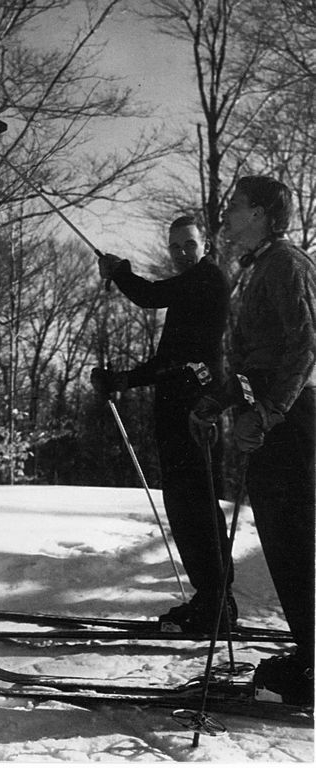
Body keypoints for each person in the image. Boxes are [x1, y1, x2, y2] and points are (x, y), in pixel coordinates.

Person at [189, 176, 316, 706]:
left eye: (236, 206)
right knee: (282, 542)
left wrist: (267, 412)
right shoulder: (258, 268)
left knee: (295, 541)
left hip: (293, 418)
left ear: (262, 214)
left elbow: (306, 344)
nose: (226, 213)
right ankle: (309, 654)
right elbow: (249, 358)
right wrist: (216, 402)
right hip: (270, 416)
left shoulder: (287, 264)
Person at [91, 215, 233, 632]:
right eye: (175, 247)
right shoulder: (190, 291)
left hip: (196, 409)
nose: (182, 254)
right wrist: (123, 380)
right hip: (174, 406)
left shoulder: (207, 279)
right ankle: (211, 599)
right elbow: (166, 362)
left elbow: (149, 296)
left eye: (189, 244)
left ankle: (218, 605)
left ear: (204, 244)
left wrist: (120, 272)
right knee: (184, 508)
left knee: (198, 508)